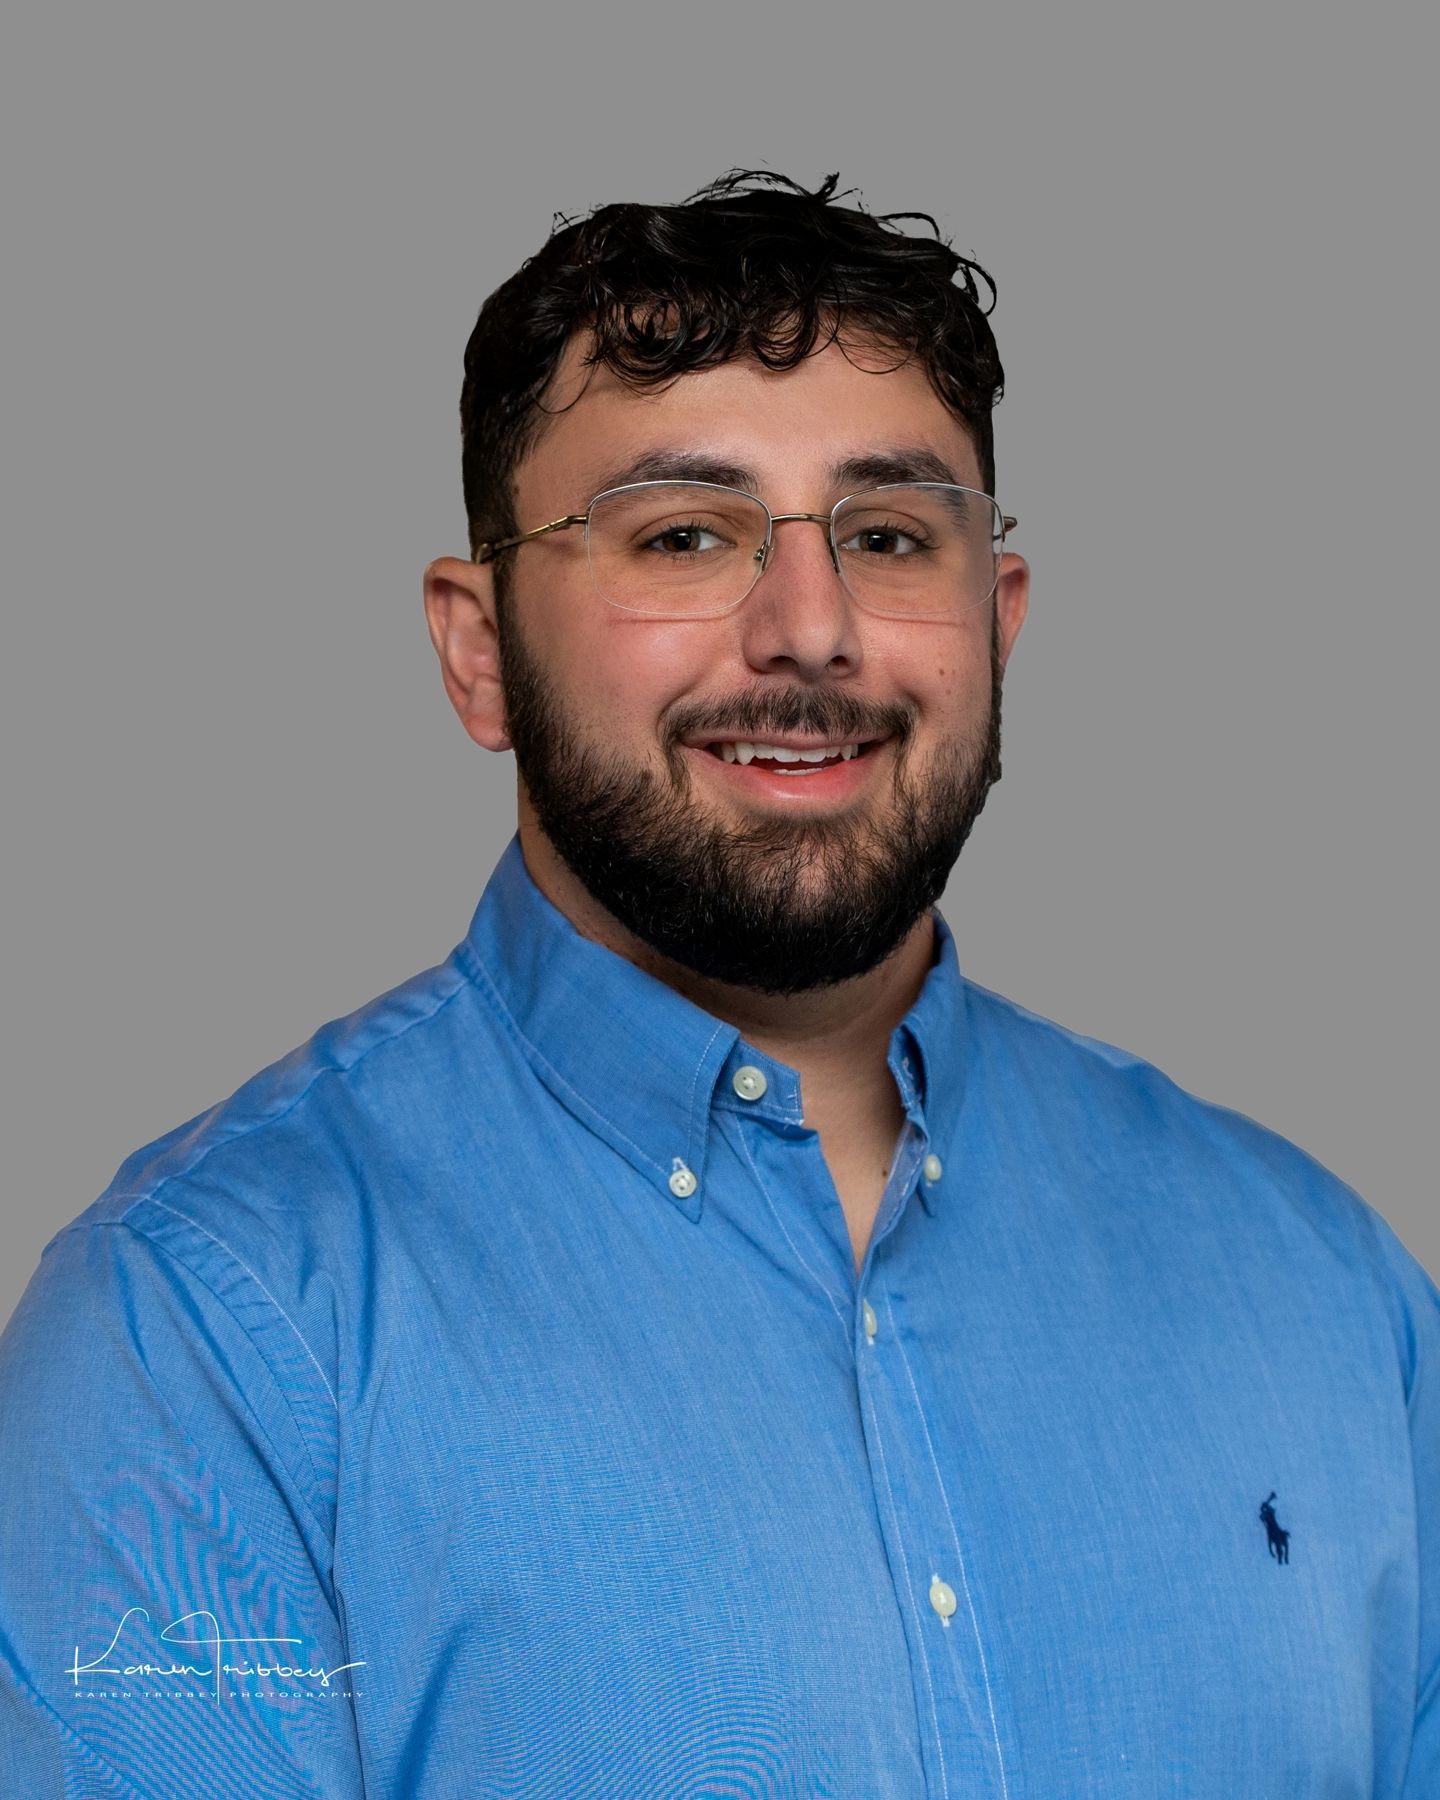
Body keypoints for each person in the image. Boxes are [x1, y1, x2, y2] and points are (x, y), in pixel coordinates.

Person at [0, 169, 1433, 1798]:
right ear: (479, 651)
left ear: (998, 622)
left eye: (888, 536)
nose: (810, 629)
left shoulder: (1331, 1290)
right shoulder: (207, 1338)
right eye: (684, 535)